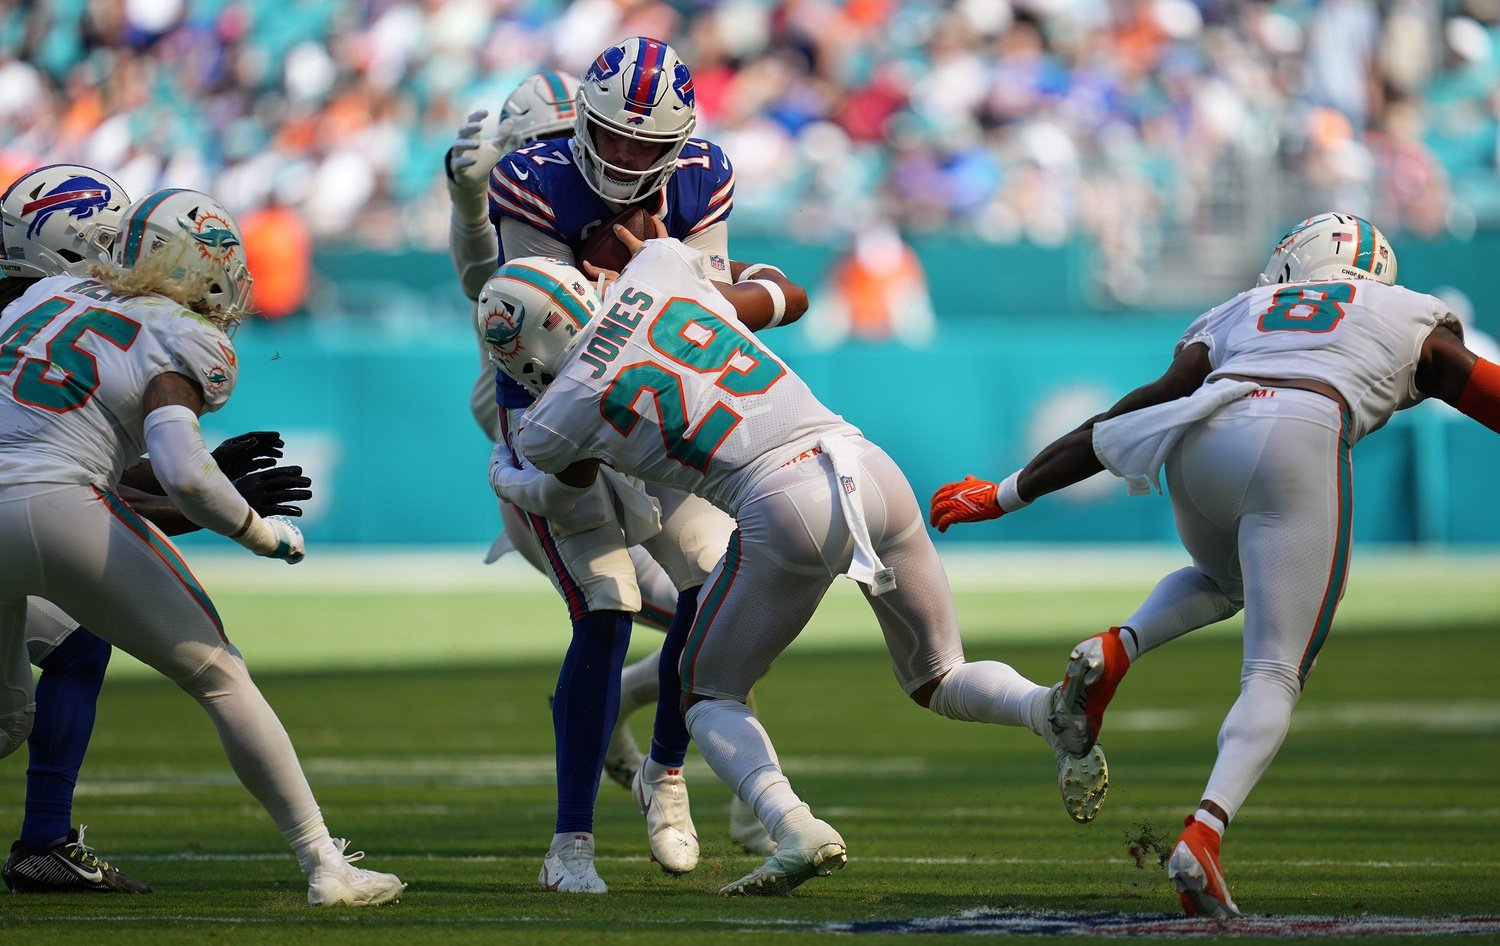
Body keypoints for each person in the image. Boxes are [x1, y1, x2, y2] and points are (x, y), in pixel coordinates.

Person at [477, 228, 1110, 897]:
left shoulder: (553, 419)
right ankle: (1046, 710)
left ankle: (791, 826)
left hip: (782, 502)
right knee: (938, 674)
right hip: (864, 463)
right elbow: (715, 266)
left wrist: (504, 475)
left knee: (704, 694)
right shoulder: (655, 270)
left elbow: (556, 488)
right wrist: (660, 263)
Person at [929, 212, 1500, 918]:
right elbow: (1473, 384)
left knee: (1223, 581)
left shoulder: (1241, 307)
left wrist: (1009, 491)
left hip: (1198, 438)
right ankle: (1204, 832)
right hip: (1302, 430)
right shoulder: (1405, 309)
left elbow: (1142, 405)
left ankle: (1120, 645)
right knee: (1274, 670)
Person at [0, 186, 405, 907]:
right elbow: (185, 470)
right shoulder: (180, 334)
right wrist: (262, 533)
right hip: (62, 506)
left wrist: (164, 496)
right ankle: (325, 863)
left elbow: (46, 440)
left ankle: (45, 845)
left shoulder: (47, 296)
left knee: (7, 717)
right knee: (221, 675)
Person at [446, 44, 773, 893]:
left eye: (643, 145)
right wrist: (650, 278)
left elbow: (701, 323)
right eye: (608, 140)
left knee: (717, 581)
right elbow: (537, 329)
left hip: (653, 398)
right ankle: (570, 846)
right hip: (554, 411)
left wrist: (644, 278)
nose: (623, 160)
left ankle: (668, 776)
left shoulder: (703, 172)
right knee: (608, 603)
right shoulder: (531, 181)